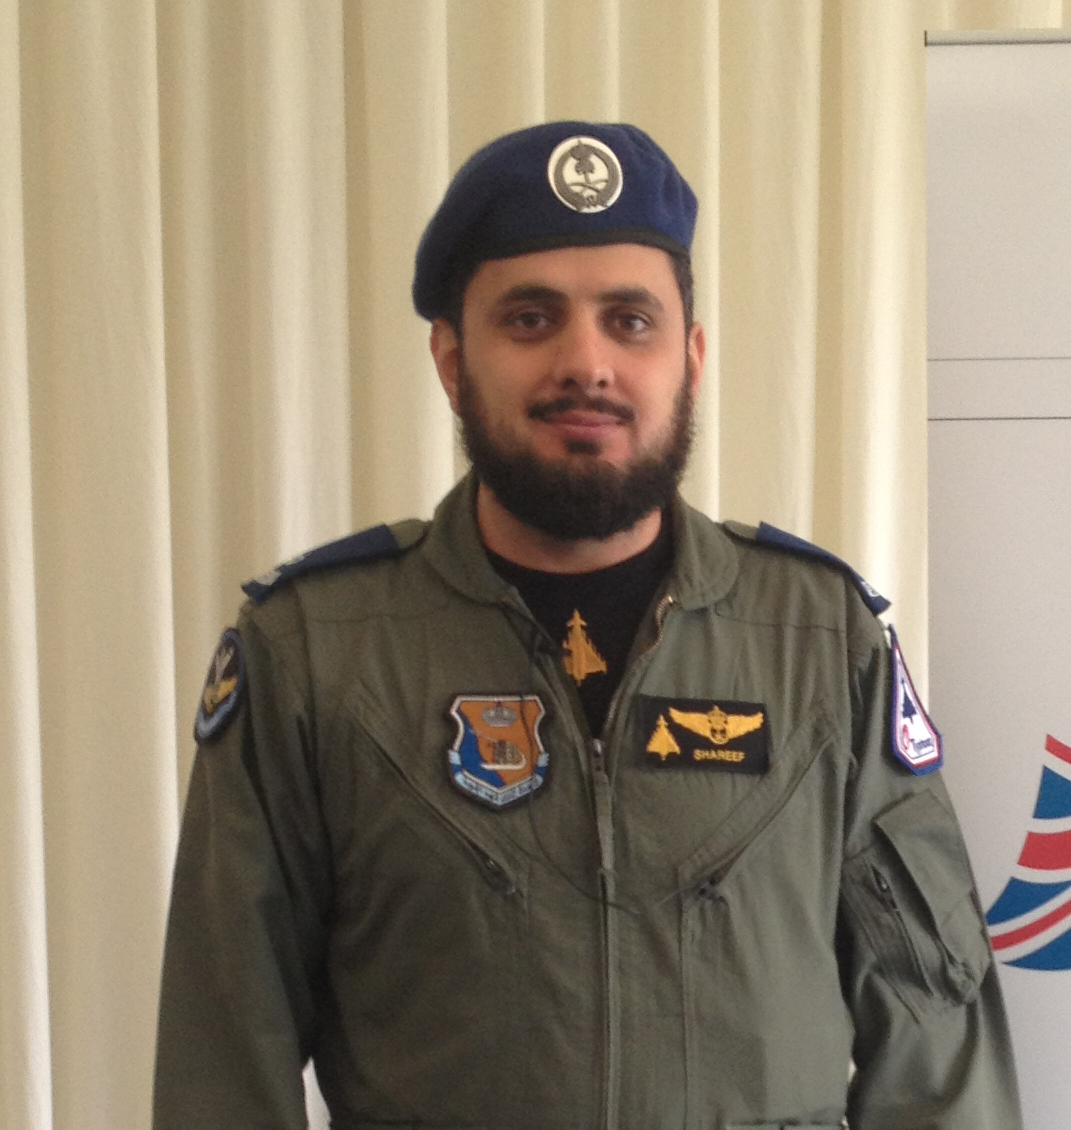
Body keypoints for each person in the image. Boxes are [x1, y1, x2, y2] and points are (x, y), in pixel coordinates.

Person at [154, 121, 1020, 1130]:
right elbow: (223, 1058)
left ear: (689, 357)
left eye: (629, 319)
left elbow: (934, 1034)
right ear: (450, 357)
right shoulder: (314, 650)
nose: (586, 362)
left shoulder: (820, 640)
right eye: (530, 319)